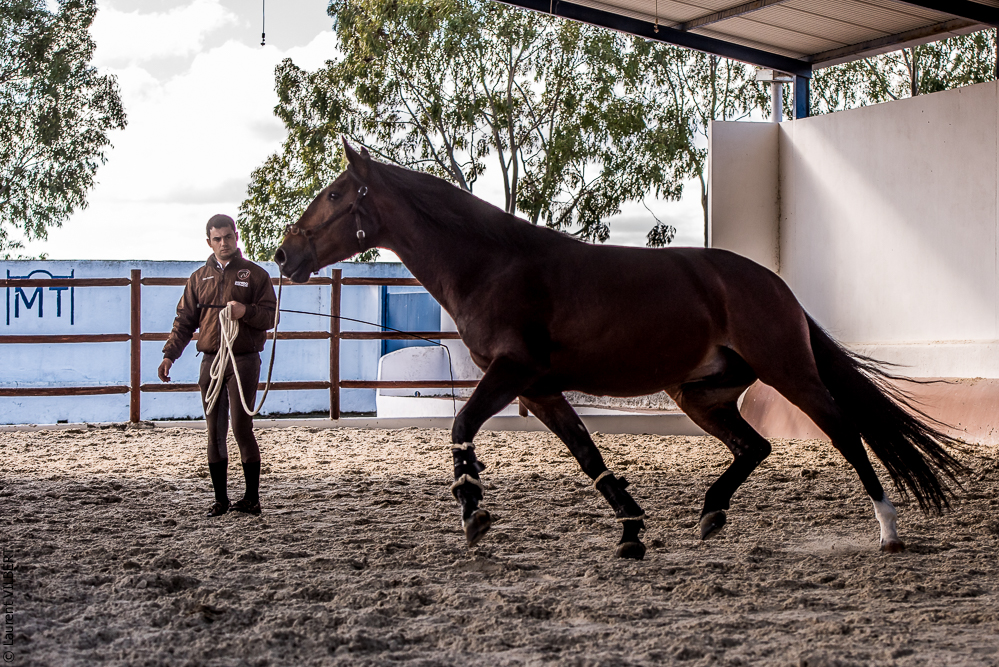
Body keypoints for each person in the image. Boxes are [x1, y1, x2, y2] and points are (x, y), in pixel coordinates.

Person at [158, 214, 277, 517]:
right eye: (217, 238)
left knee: (240, 427)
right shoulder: (198, 278)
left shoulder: (256, 275)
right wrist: (170, 354)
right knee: (214, 430)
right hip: (211, 360)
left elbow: (270, 317)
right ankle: (220, 500)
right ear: (209, 241)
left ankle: (251, 498)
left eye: (228, 237)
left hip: (243, 360)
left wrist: (245, 311)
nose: (224, 243)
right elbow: (184, 321)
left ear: (237, 237)